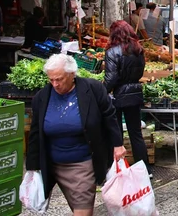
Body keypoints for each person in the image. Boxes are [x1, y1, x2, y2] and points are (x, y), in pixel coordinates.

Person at [26, 54, 125, 215]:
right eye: (51, 80)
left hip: (82, 163)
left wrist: (117, 144)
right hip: (52, 163)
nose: (55, 84)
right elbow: (35, 133)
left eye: (59, 79)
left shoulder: (93, 89)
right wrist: (32, 168)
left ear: (72, 74)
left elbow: (109, 116)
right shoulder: (42, 97)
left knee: (82, 211)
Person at [104, 20, 151, 176]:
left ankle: (116, 170)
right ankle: (145, 170)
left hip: (117, 95)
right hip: (134, 92)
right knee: (135, 134)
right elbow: (140, 71)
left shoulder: (112, 52)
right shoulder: (138, 50)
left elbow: (111, 77)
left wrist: (103, 91)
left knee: (116, 134)